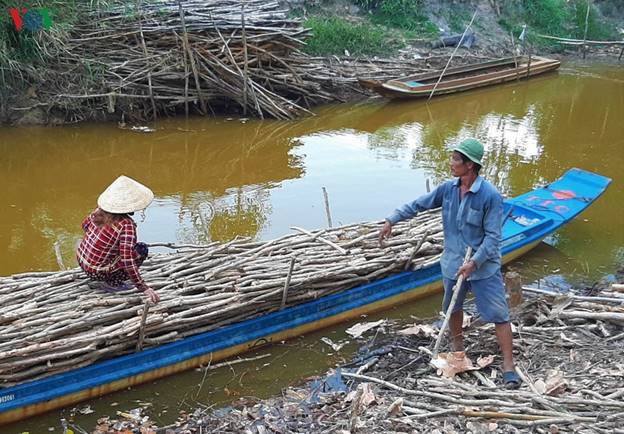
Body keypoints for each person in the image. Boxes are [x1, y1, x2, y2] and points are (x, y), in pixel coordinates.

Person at [378, 138, 521, 389]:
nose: (451, 163)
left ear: (470, 166)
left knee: (499, 314)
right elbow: (419, 204)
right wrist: (392, 219)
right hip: (453, 263)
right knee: (453, 308)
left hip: (483, 267)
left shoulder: (490, 196)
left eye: (456, 159)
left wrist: (475, 263)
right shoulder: (448, 189)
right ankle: (458, 351)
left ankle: (508, 364)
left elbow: (494, 238)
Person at [77, 175, 160, 304]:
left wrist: (104, 242)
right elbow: (127, 260)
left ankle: (106, 274)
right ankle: (112, 283)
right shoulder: (126, 224)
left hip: (82, 261)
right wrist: (143, 287)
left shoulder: (99, 211)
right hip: (97, 272)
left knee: (121, 248)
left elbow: (85, 226)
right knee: (141, 249)